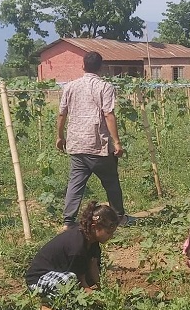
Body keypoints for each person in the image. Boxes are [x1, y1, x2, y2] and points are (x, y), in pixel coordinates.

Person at [56, 51, 133, 228]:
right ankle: (119, 218)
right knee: (111, 182)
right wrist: (117, 142)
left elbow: (62, 114)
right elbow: (108, 114)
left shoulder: (70, 87)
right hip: (97, 145)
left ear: (83, 66)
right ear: (101, 67)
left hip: (76, 144)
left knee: (75, 184)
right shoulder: (105, 87)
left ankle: (68, 221)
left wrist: (60, 136)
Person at [26, 201, 119, 310]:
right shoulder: (77, 245)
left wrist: (103, 290)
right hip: (38, 279)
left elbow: (93, 266)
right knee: (69, 280)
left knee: (86, 279)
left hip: (59, 272)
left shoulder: (92, 240)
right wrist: (97, 298)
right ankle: (46, 305)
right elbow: (80, 282)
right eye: (108, 233)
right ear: (94, 227)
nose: (110, 236)